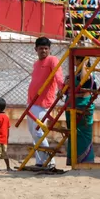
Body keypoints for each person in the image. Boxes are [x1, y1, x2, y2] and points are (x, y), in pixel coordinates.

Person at [27, 37, 64, 168]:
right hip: (31, 102)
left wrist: (61, 88)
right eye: (41, 48)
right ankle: (39, 162)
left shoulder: (53, 60)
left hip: (43, 103)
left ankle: (50, 162)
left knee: (38, 132)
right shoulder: (36, 63)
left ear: (49, 49)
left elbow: (58, 75)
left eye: (46, 48)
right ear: (36, 49)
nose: (43, 51)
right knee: (33, 132)